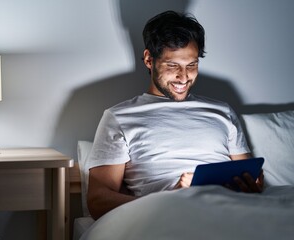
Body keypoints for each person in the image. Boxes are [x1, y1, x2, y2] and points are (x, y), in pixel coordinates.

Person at [86, 10, 264, 220]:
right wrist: (168, 199)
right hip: (170, 215)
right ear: (149, 60)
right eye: (172, 66)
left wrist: (251, 185)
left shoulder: (222, 111)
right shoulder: (120, 117)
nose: (184, 77)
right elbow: (98, 201)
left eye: (192, 65)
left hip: (233, 208)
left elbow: (253, 177)